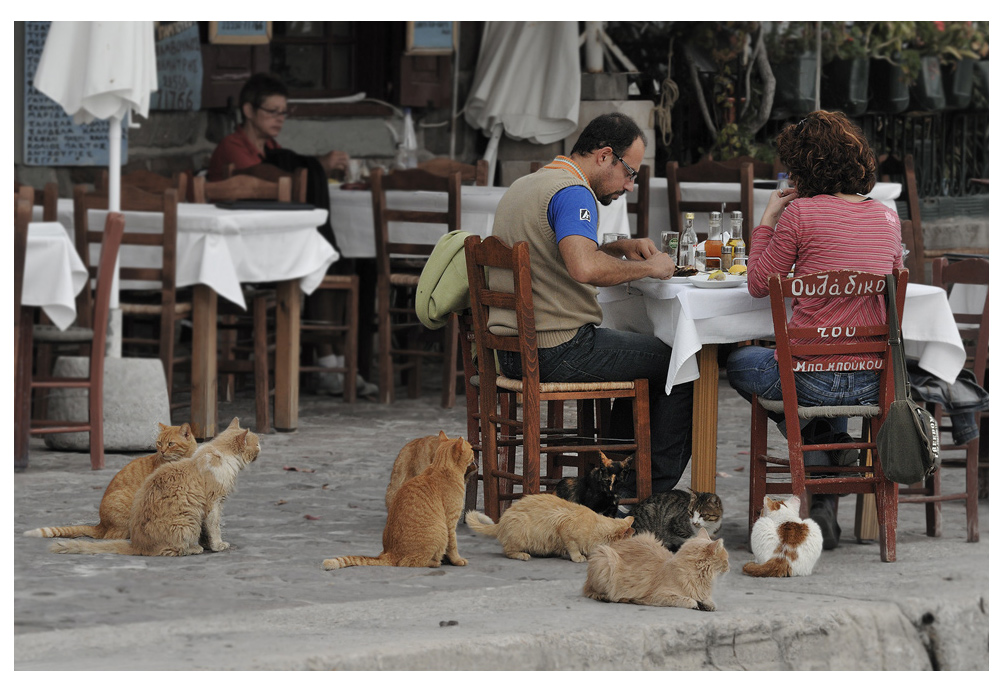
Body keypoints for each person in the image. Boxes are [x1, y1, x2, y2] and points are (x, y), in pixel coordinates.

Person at [488, 112, 693, 498]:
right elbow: (582, 267)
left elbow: (555, 255)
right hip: (556, 347)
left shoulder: (526, 184)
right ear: (604, 156)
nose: (630, 186)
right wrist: (650, 266)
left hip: (512, 349)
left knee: (642, 360)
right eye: (629, 172)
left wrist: (616, 249)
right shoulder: (573, 192)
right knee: (679, 361)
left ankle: (613, 474)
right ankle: (643, 490)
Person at [726, 110, 904, 549]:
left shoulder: (799, 215)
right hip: (870, 379)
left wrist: (767, 218)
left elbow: (757, 283)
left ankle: (824, 449)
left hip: (811, 380)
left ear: (805, 168)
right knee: (828, 355)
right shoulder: (886, 218)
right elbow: (895, 283)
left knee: (737, 361)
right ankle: (830, 471)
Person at [208, 73, 376, 398]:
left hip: (272, 240)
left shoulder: (272, 148)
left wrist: (314, 170)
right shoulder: (233, 148)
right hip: (241, 248)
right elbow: (271, 186)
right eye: (272, 111)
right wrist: (315, 167)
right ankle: (329, 364)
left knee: (334, 258)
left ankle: (335, 361)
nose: (279, 119)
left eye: (284, 112)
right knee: (323, 256)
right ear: (248, 110)